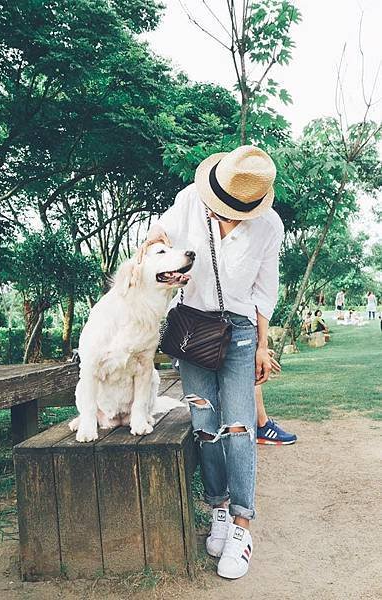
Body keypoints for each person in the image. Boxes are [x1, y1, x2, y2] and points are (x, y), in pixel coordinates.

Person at [142, 145, 283, 580]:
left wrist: (262, 345)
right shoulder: (190, 199)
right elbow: (155, 235)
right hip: (191, 329)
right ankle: (218, 508)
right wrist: (164, 261)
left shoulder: (269, 226)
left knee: (240, 427)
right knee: (204, 425)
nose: (227, 216)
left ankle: (242, 524)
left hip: (239, 332)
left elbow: (265, 289)